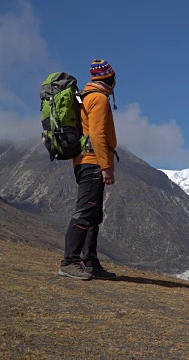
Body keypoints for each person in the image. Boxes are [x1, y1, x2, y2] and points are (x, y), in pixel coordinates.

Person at [57, 59, 119, 281]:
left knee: (93, 214)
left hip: (84, 161)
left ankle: (89, 261)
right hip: (92, 162)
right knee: (86, 212)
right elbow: (98, 135)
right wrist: (106, 167)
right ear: (110, 79)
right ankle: (70, 261)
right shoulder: (99, 100)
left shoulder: (86, 97)